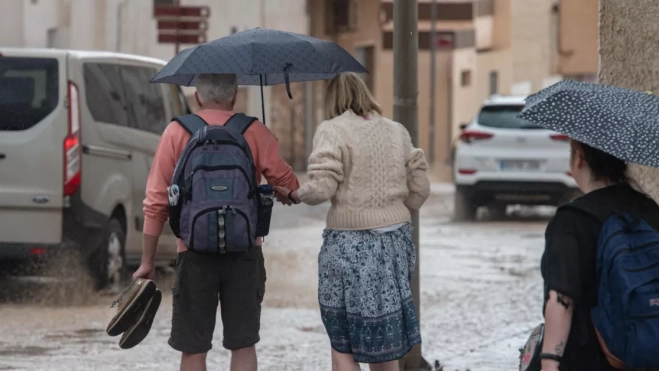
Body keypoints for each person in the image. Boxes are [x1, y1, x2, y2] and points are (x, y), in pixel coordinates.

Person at [133, 73, 299, 371]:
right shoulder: (254, 130)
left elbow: (156, 201)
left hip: (193, 252)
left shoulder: (176, 131)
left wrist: (148, 261)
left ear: (197, 97)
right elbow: (292, 187)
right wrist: (276, 185)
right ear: (234, 95)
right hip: (245, 252)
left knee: (193, 349)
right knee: (243, 344)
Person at [274, 72, 431, 371]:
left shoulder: (332, 130)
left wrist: (294, 194)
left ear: (331, 99)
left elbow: (322, 188)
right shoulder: (397, 131)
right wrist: (394, 213)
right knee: (385, 344)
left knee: (342, 342)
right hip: (395, 244)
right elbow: (421, 188)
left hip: (349, 246)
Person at [539, 140, 659, 371]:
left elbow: (561, 298)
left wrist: (549, 364)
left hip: (588, 359)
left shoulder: (572, 219)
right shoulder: (651, 210)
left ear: (579, 157)